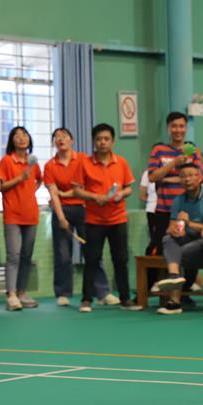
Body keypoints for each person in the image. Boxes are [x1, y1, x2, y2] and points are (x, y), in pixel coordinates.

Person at [72, 123, 139, 312]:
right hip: (94, 220)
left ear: (113, 141)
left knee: (121, 259)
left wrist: (121, 194)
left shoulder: (121, 162)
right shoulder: (84, 163)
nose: (102, 142)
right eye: (99, 139)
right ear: (94, 142)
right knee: (92, 260)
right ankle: (86, 299)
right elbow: (76, 190)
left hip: (118, 219)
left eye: (106, 139)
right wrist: (94, 197)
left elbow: (129, 188)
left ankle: (125, 299)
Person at [44, 127, 112, 307]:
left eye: (64, 136)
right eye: (57, 137)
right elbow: (54, 194)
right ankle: (63, 293)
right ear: (54, 143)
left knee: (92, 252)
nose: (61, 139)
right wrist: (61, 218)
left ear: (72, 140)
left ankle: (102, 292)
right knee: (63, 255)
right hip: (61, 211)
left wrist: (66, 193)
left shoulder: (83, 159)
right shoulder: (50, 166)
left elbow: (85, 187)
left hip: (84, 209)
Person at [153, 163, 203, 315]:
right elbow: (171, 226)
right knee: (167, 239)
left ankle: (174, 301)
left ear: (200, 177)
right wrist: (173, 230)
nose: (187, 179)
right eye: (183, 176)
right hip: (186, 239)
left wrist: (190, 224)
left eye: (190, 175)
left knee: (179, 253)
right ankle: (174, 276)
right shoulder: (178, 200)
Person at [0, 126, 42, 310]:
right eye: (17, 136)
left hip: (31, 214)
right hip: (13, 215)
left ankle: (22, 292)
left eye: (25, 135)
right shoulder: (7, 161)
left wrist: (30, 190)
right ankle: (11, 295)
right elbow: (0, 187)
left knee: (26, 256)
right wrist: (20, 179)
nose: (22, 138)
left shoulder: (33, 162)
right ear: (12, 141)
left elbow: (39, 180)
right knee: (13, 255)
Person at [146, 113, 203, 256]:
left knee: (188, 251)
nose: (178, 130)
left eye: (181, 126)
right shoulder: (158, 150)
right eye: (174, 126)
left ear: (186, 128)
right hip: (164, 210)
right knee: (160, 251)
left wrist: (166, 179)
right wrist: (174, 163)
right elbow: (152, 177)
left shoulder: (193, 150)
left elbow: (197, 178)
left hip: (188, 210)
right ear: (168, 128)